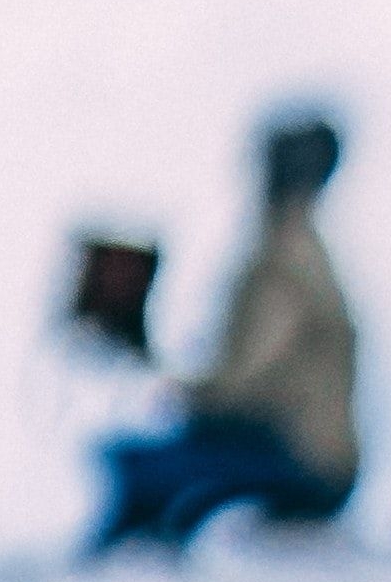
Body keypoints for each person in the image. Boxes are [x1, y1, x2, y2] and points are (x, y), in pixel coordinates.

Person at [86, 108, 361, 554]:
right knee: (151, 469)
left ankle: (115, 577)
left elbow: (244, 381)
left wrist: (174, 384)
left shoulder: (284, 259)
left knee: (137, 469)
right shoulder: (299, 251)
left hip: (300, 457)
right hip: (303, 451)